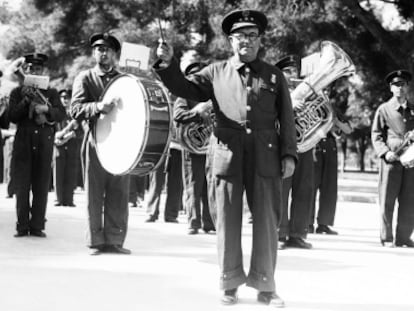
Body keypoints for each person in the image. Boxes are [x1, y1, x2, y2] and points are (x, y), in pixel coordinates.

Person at [155, 9, 297, 307]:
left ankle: (265, 286)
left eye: (252, 36)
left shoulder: (274, 75)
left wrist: (289, 155)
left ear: (260, 41)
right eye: (240, 36)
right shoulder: (214, 71)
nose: (246, 41)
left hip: (266, 155)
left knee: (267, 223)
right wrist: (168, 65)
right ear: (230, 41)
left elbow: (286, 117)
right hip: (226, 153)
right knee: (228, 222)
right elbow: (183, 88)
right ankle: (229, 283)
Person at [70, 32, 131, 255]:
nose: (103, 53)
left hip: (122, 142)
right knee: (94, 193)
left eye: (107, 50)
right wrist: (97, 107)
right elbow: (75, 110)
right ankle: (95, 241)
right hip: (95, 141)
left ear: (115, 54)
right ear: (94, 52)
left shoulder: (124, 79)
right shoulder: (85, 77)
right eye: (99, 49)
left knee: (119, 192)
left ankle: (114, 240)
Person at [8, 53, 66, 237]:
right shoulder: (17, 92)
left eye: (38, 69)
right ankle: (22, 225)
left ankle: (37, 226)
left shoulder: (52, 92)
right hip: (24, 140)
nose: (34, 71)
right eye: (31, 69)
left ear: (43, 71)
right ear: (26, 71)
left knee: (41, 185)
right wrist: (26, 101)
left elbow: (61, 114)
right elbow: (12, 117)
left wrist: (46, 109)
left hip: (44, 140)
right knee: (22, 185)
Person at [371, 69, 414, 248]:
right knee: (387, 200)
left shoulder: (413, 109)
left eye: (403, 84)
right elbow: (376, 135)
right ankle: (387, 237)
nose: (400, 88)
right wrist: (385, 152)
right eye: (396, 85)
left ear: (408, 87)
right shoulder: (384, 109)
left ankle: (404, 237)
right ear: (391, 88)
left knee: (409, 200)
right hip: (391, 161)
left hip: (411, 162)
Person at [275, 55, 314, 250]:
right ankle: (280, 234)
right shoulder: (274, 91)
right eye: (288, 71)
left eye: (294, 71)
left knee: (304, 191)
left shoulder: (307, 94)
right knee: (281, 190)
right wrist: (289, 105)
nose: (293, 75)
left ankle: (298, 234)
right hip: (283, 146)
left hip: (305, 147)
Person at [174, 60, 215, 235]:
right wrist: (196, 113)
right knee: (193, 184)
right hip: (191, 145)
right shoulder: (183, 96)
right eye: (193, 75)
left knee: (209, 185)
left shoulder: (212, 95)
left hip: (209, 145)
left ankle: (209, 222)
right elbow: (178, 115)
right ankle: (193, 221)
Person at [309, 86, 352, 235]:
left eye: (326, 90)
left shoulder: (333, 108)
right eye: (322, 89)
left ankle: (324, 224)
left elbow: (348, 129)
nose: (324, 92)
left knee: (329, 188)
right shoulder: (308, 107)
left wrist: (335, 122)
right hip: (314, 147)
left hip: (330, 148)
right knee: (310, 187)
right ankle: (307, 222)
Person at [53, 89, 80, 207]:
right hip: (59, 149)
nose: (65, 100)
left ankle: (69, 199)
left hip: (72, 148)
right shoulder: (57, 114)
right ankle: (58, 199)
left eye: (67, 97)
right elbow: (55, 135)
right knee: (58, 175)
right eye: (63, 97)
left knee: (71, 174)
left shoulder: (75, 115)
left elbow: (80, 132)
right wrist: (66, 134)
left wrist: (68, 136)